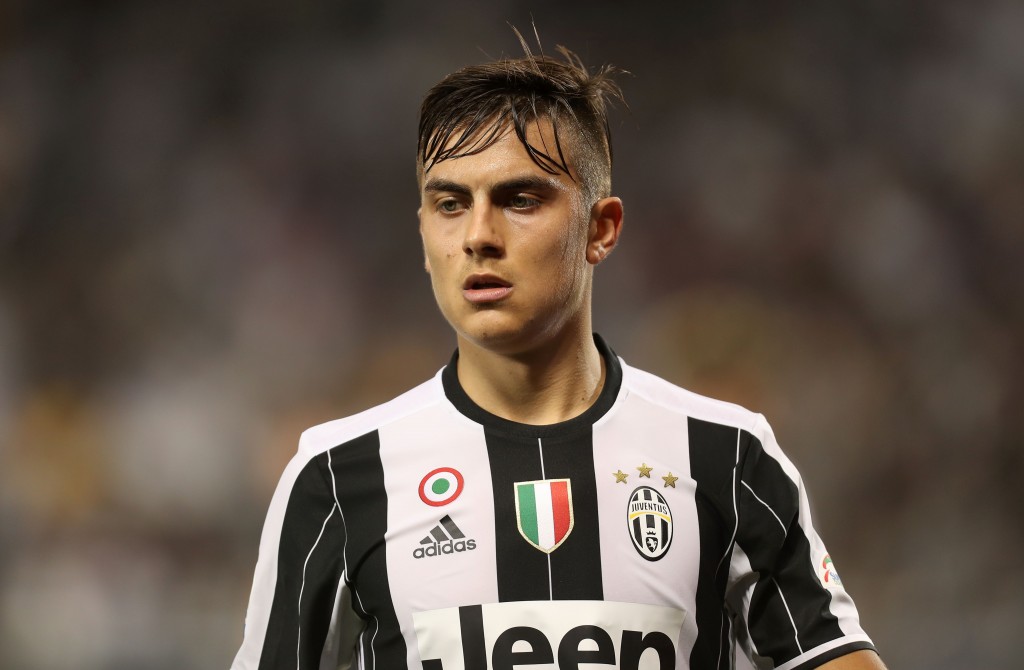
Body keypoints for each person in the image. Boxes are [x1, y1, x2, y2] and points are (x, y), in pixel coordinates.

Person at [230, 39, 886, 670]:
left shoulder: (726, 455)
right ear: (424, 232)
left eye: (519, 200)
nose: (479, 236)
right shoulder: (336, 476)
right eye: (450, 204)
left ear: (601, 228)